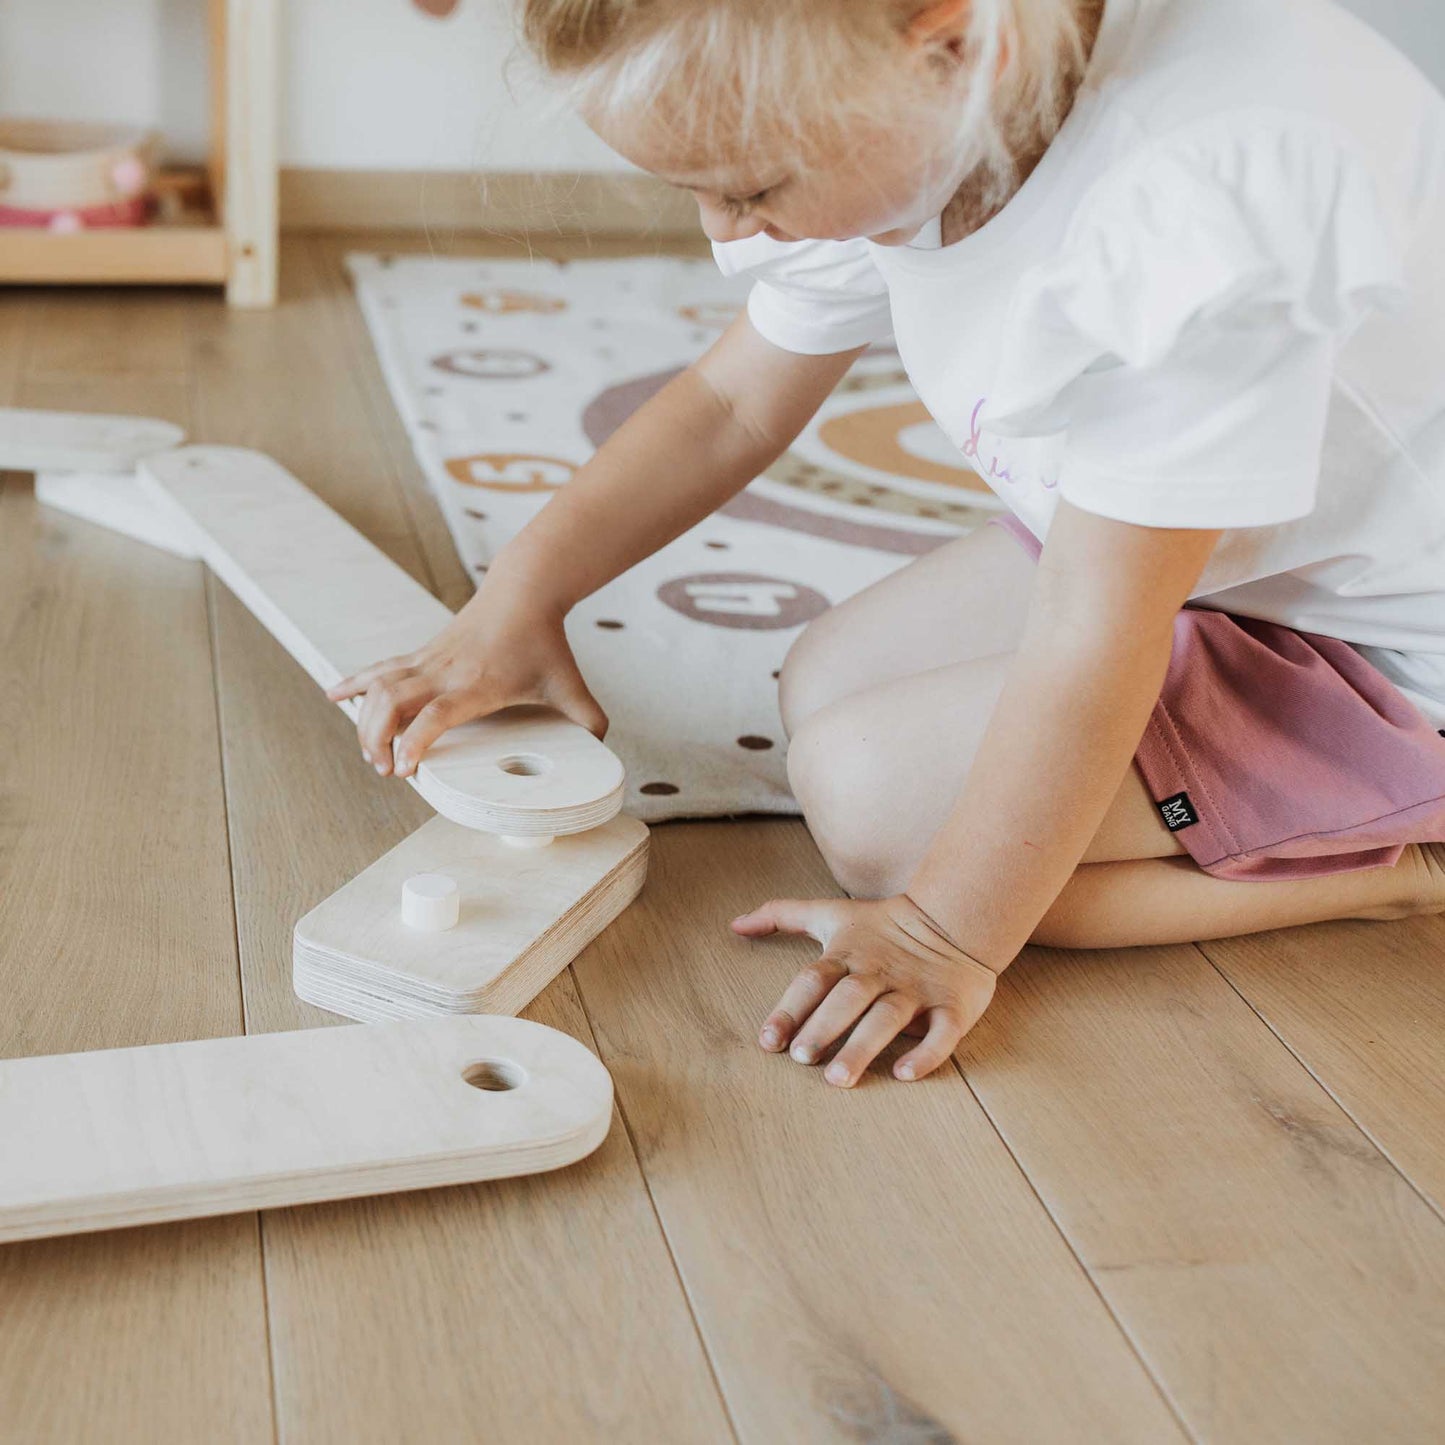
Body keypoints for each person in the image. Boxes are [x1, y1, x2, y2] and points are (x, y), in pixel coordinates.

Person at [330, 0, 1445, 1087]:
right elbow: (730, 403)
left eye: (751, 187)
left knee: (883, 815)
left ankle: (1405, 864)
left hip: (1393, 655)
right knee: (826, 683)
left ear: (949, 48)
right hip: (1223, 560)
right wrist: (518, 600)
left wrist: (944, 933)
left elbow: (1099, 627)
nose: (722, 227)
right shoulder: (926, 94)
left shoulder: (1199, 198)